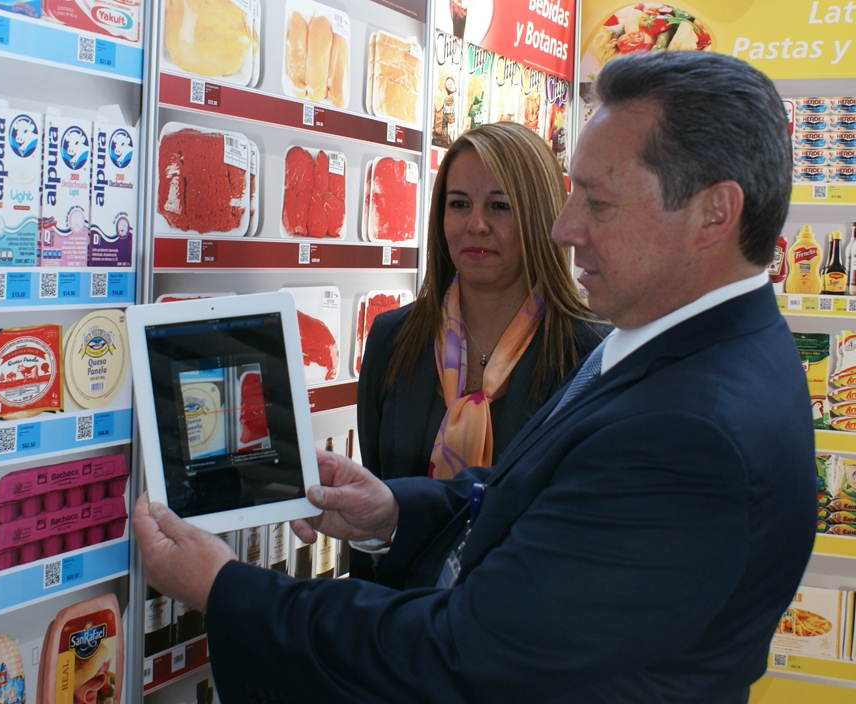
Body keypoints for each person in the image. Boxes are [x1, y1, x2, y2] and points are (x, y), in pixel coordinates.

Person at [133, 51, 816, 703]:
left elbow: (470, 654)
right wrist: (393, 512)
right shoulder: (677, 346)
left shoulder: (692, 433)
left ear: (713, 213)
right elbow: (533, 496)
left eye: (598, 203)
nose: (565, 229)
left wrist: (227, 590)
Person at [358, 121, 606, 483]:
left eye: (500, 206)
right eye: (459, 204)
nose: (476, 224)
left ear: (542, 217)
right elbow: (376, 493)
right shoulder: (392, 338)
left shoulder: (591, 354)